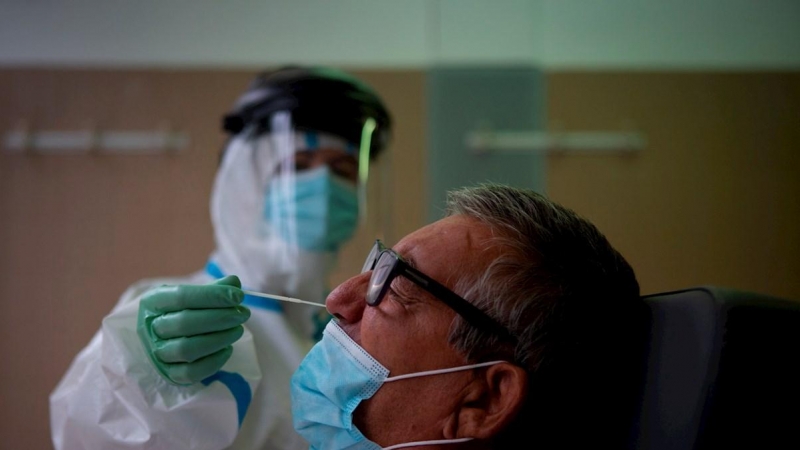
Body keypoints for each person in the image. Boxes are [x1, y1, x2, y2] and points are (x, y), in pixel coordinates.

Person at [49, 66, 392, 450]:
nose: (324, 186)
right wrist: (145, 382)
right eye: (297, 165)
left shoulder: (348, 331)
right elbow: (86, 434)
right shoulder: (168, 320)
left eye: (342, 169)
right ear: (244, 181)